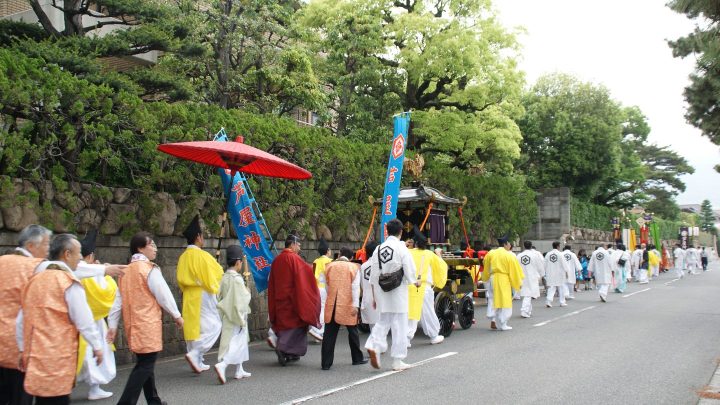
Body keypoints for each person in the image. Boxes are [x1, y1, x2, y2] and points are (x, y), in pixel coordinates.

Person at [17, 234, 104, 405]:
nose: (80, 257)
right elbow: (84, 320)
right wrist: (97, 345)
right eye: (78, 253)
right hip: (59, 357)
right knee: (58, 399)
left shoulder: (33, 281)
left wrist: (21, 348)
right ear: (67, 254)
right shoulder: (68, 282)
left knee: (42, 399)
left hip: (36, 354)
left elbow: (21, 319)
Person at [108, 232, 183, 405]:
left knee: (145, 362)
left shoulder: (125, 271)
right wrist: (177, 315)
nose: (155, 248)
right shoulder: (148, 269)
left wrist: (112, 325)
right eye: (152, 245)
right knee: (145, 365)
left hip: (133, 326)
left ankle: (153, 401)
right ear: (140, 248)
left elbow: (117, 301)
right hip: (148, 324)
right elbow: (163, 295)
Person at [0, 225, 49, 405]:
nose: (48, 249)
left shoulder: (2, 260)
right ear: (30, 245)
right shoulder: (36, 267)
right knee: (20, 396)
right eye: (45, 244)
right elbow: (69, 271)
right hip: (20, 345)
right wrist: (103, 270)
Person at [365, 219, 419, 371]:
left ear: (387, 231)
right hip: (398, 290)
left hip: (382, 289)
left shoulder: (378, 249)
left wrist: (375, 296)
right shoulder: (401, 248)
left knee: (383, 320)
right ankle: (397, 360)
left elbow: (373, 275)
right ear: (401, 232)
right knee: (400, 325)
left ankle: (373, 344)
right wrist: (414, 281)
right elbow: (409, 268)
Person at [177, 215, 224, 373]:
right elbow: (217, 273)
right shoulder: (203, 256)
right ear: (198, 237)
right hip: (203, 293)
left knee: (193, 327)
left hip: (189, 294)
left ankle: (197, 359)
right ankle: (196, 353)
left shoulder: (183, 257)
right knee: (214, 325)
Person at [268, 233, 321, 366]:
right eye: (298, 244)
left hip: (279, 299)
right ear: (292, 244)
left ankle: (289, 353)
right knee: (295, 327)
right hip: (292, 300)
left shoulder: (277, 260)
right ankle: (282, 348)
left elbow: (272, 281)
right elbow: (305, 275)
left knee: (283, 326)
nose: (299, 247)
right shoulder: (294, 259)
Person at [76, 230, 117, 401]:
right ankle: (94, 388)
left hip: (74, 322)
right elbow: (106, 295)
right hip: (91, 322)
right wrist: (105, 274)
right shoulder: (93, 273)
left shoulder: (74, 270)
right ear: (91, 256)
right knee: (94, 357)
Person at [320, 247, 365, 370]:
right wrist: (356, 305)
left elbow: (326, 285)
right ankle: (357, 358)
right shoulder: (354, 268)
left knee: (329, 334)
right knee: (353, 331)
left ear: (339, 254)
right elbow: (355, 288)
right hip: (347, 304)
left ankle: (326, 363)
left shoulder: (329, 266)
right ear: (351, 258)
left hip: (332, 303)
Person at [214, 245, 252, 384]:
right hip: (237, 315)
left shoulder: (224, 277)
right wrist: (247, 292)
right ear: (238, 263)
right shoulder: (237, 279)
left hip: (227, 315)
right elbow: (242, 299)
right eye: (241, 262)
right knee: (237, 343)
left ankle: (239, 369)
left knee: (235, 342)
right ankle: (222, 365)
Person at [407, 228, 447, 345]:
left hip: (409, 286)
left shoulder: (408, 253)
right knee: (428, 312)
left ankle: (406, 339)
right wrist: (438, 254)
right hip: (424, 287)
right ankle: (433, 335)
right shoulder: (429, 254)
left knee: (410, 312)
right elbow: (441, 266)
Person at [481, 236, 524, 330]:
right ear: (505, 244)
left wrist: (486, 277)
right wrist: (518, 282)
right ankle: (503, 323)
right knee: (505, 301)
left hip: (493, 278)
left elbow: (485, 263)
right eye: (509, 244)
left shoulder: (491, 253)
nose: (509, 245)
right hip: (503, 278)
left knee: (493, 299)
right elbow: (514, 270)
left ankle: (492, 316)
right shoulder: (509, 255)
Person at [309, 238, 332, 342]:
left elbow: (313, 275)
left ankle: (316, 330)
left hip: (315, 287)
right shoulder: (330, 261)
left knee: (316, 309)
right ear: (327, 251)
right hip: (324, 289)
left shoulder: (315, 261)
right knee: (323, 309)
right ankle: (318, 331)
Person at [517, 241, 544, 318]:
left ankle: (528, 310)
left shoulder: (519, 255)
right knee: (528, 294)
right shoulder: (535, 255)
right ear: (531, 246)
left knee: (527, 293)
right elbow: (540, 266)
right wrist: (542, 274)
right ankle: (524, 310)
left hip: (522, 276)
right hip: (532, 276)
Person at [360, 242, 380, 328]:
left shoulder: (363, 266)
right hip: (379, 298)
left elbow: (361, 284)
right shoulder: (380, 265)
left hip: (367, 298)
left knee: (373, 327)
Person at [544, 241, 570, 308]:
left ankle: (548, 301)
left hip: (550, 273)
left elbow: (544, 264)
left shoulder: (548, 254)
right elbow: (565, 264)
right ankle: (562, 302)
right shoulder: (560, 254)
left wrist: (544, 272)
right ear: (558, 246)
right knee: (561, 288)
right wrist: (567, 272)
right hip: (559, 273)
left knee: (552, 287)